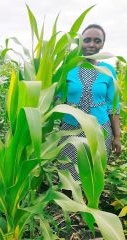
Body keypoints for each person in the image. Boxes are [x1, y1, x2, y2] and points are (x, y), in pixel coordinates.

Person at [58, 24, 121, 181]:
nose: (92, 44)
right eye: (87, 40)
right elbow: (57, 98)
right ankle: (68, 204)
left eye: (97, 41)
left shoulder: (108, 70)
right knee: (68, 174)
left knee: (93, 173)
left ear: (102, 44)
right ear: (80, 42)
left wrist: (117, 136)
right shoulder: (68, 67)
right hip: (70, 129)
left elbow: (113, 106)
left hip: (99, 130)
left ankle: (88, 203)